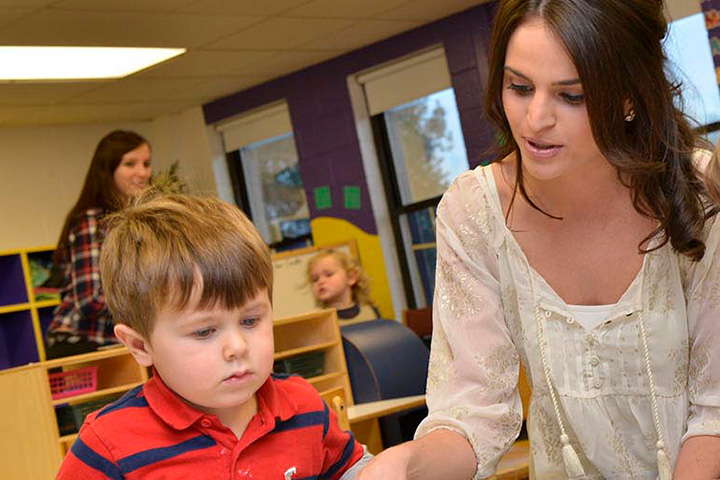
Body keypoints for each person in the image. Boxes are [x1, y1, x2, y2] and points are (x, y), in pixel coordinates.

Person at [358, 1, 720, 479]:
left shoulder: (700, 194)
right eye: (520, 87)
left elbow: (714, 409)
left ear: (631, 97)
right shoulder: (475, 212)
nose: (535, 119)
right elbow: (473, 412)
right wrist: (405, 463)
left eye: (572, 96)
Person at [55, 192, 371, 479]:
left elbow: (353, 470)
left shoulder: (304, 407)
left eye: (250, 320)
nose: (237, 347)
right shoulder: (108, 444)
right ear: (139, 345)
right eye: (205, 331)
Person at [46, 130, 152, 359]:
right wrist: (151, 302)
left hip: (117, 343)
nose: (142, 172)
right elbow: (90, 299)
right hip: (82, 344)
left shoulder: (137, 222)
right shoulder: (92, 222)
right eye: (130, 164)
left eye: (146, 163)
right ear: (108, 171)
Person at [308, 249, 380, 323]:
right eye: (315, 279)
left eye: (329, 274)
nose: (320, 282)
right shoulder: (318, 321)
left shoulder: (370, 311)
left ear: (350, 278)